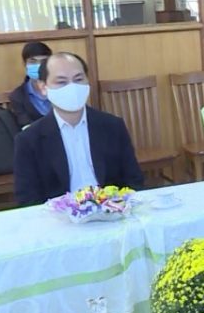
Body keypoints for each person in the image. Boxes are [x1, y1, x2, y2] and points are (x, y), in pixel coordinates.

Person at [13, 53, 143, 206]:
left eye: (78, 79)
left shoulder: (112, 126)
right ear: (43, 87)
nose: (72, 87)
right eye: (61, 82)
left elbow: (134, 181)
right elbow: (28, 199)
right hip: (59, 217)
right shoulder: (29, 140)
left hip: (112, 211)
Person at [8, 41, 53, 127]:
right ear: (25, 64)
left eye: (43, 61)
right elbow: (25, 126)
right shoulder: (17, 96)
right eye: (33, 61)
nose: (39, 66)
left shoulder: (61, 88)